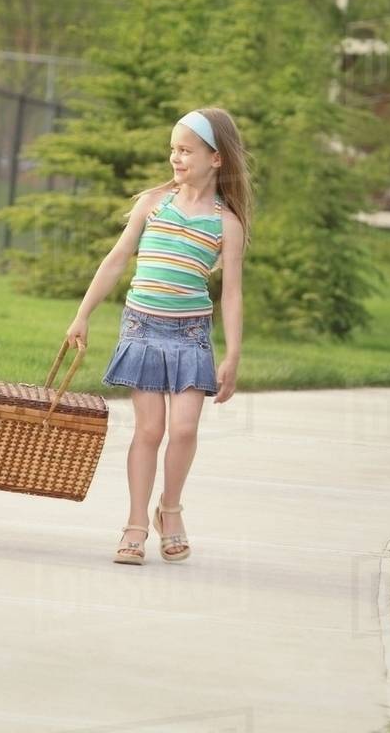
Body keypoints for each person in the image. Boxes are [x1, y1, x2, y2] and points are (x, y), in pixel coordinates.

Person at [65, 108, 253, 565]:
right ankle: (134, 523)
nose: (176, 157)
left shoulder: (226, 223)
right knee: (149, 429)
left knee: (184, 428)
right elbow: (115, 259)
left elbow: (230, 295)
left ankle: (170, 508)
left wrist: (232, 354)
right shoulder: (153, 203)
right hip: (143, 328)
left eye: (186, 151)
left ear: (216, 159)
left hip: (190, 334)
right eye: (173, 149)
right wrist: (82, 315)